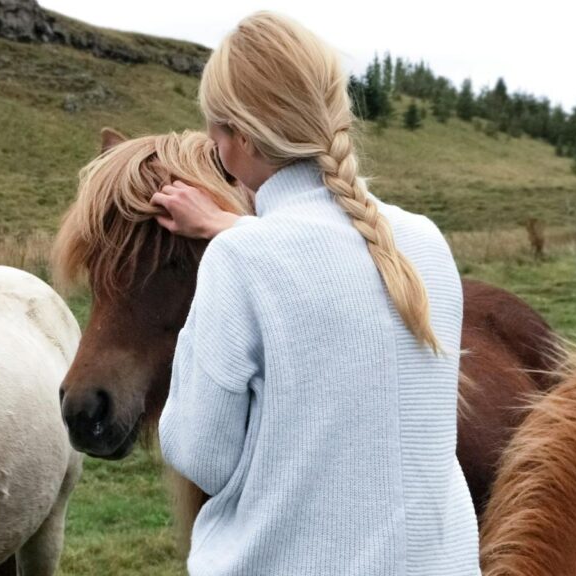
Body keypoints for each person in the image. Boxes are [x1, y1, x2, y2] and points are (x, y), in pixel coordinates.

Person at [150, 12, 482, 576]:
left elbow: (202, 455)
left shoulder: (240, 262)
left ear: (240, 139)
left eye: (215, 125)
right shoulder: (425, 242)